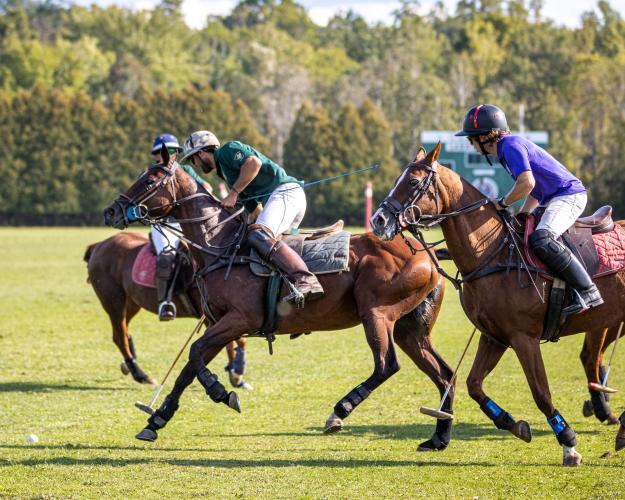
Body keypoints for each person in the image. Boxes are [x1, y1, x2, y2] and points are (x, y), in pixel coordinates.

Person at [455, 104, 603, 316]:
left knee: (542, 238)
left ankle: (588, 291)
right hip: (552, 198)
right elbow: (535, 189)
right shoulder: (507, 148)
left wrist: (503, 203)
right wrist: (523, 213)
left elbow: (527, 183)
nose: (471, 144)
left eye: (471, 138)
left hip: (568, 195)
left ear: (484, 137)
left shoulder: (509, 146)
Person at [179, 130, 323, 305]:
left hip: (285, 193)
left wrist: (233, 194)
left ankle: (306, 280)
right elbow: (255, 210)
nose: (194, 164)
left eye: (193, 159)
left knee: (259, 236)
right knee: (262, 247)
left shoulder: (226, 151)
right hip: (281, 200)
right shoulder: (225, 173)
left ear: (201, 153)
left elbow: (254, 163)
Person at [149, 133, 212, 321]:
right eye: (163, 152)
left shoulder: (184, 170)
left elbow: (206, 186)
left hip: (186, 225)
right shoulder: (152, 173)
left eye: (172, 151)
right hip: (164, 225)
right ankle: (164, 302)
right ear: (156, 155)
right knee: (166, 257)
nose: (168, 155)